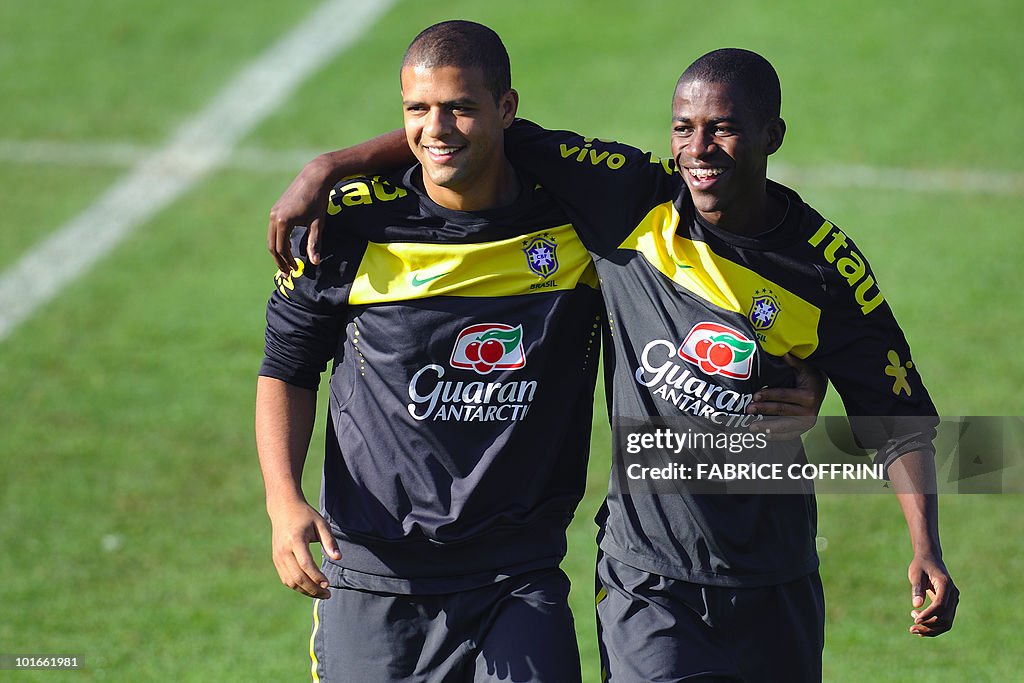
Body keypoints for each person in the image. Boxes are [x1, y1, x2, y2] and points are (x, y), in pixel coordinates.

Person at [261, 33, 838, 683]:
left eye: (459, 107)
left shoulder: (579, 219)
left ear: (506, 108)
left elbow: (713, 259)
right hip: (373, 572)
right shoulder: (349, 227)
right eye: (415, 109)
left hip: (517, 573)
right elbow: (287, 364)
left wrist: (794, 374)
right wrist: (284, 499)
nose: (435, 128)